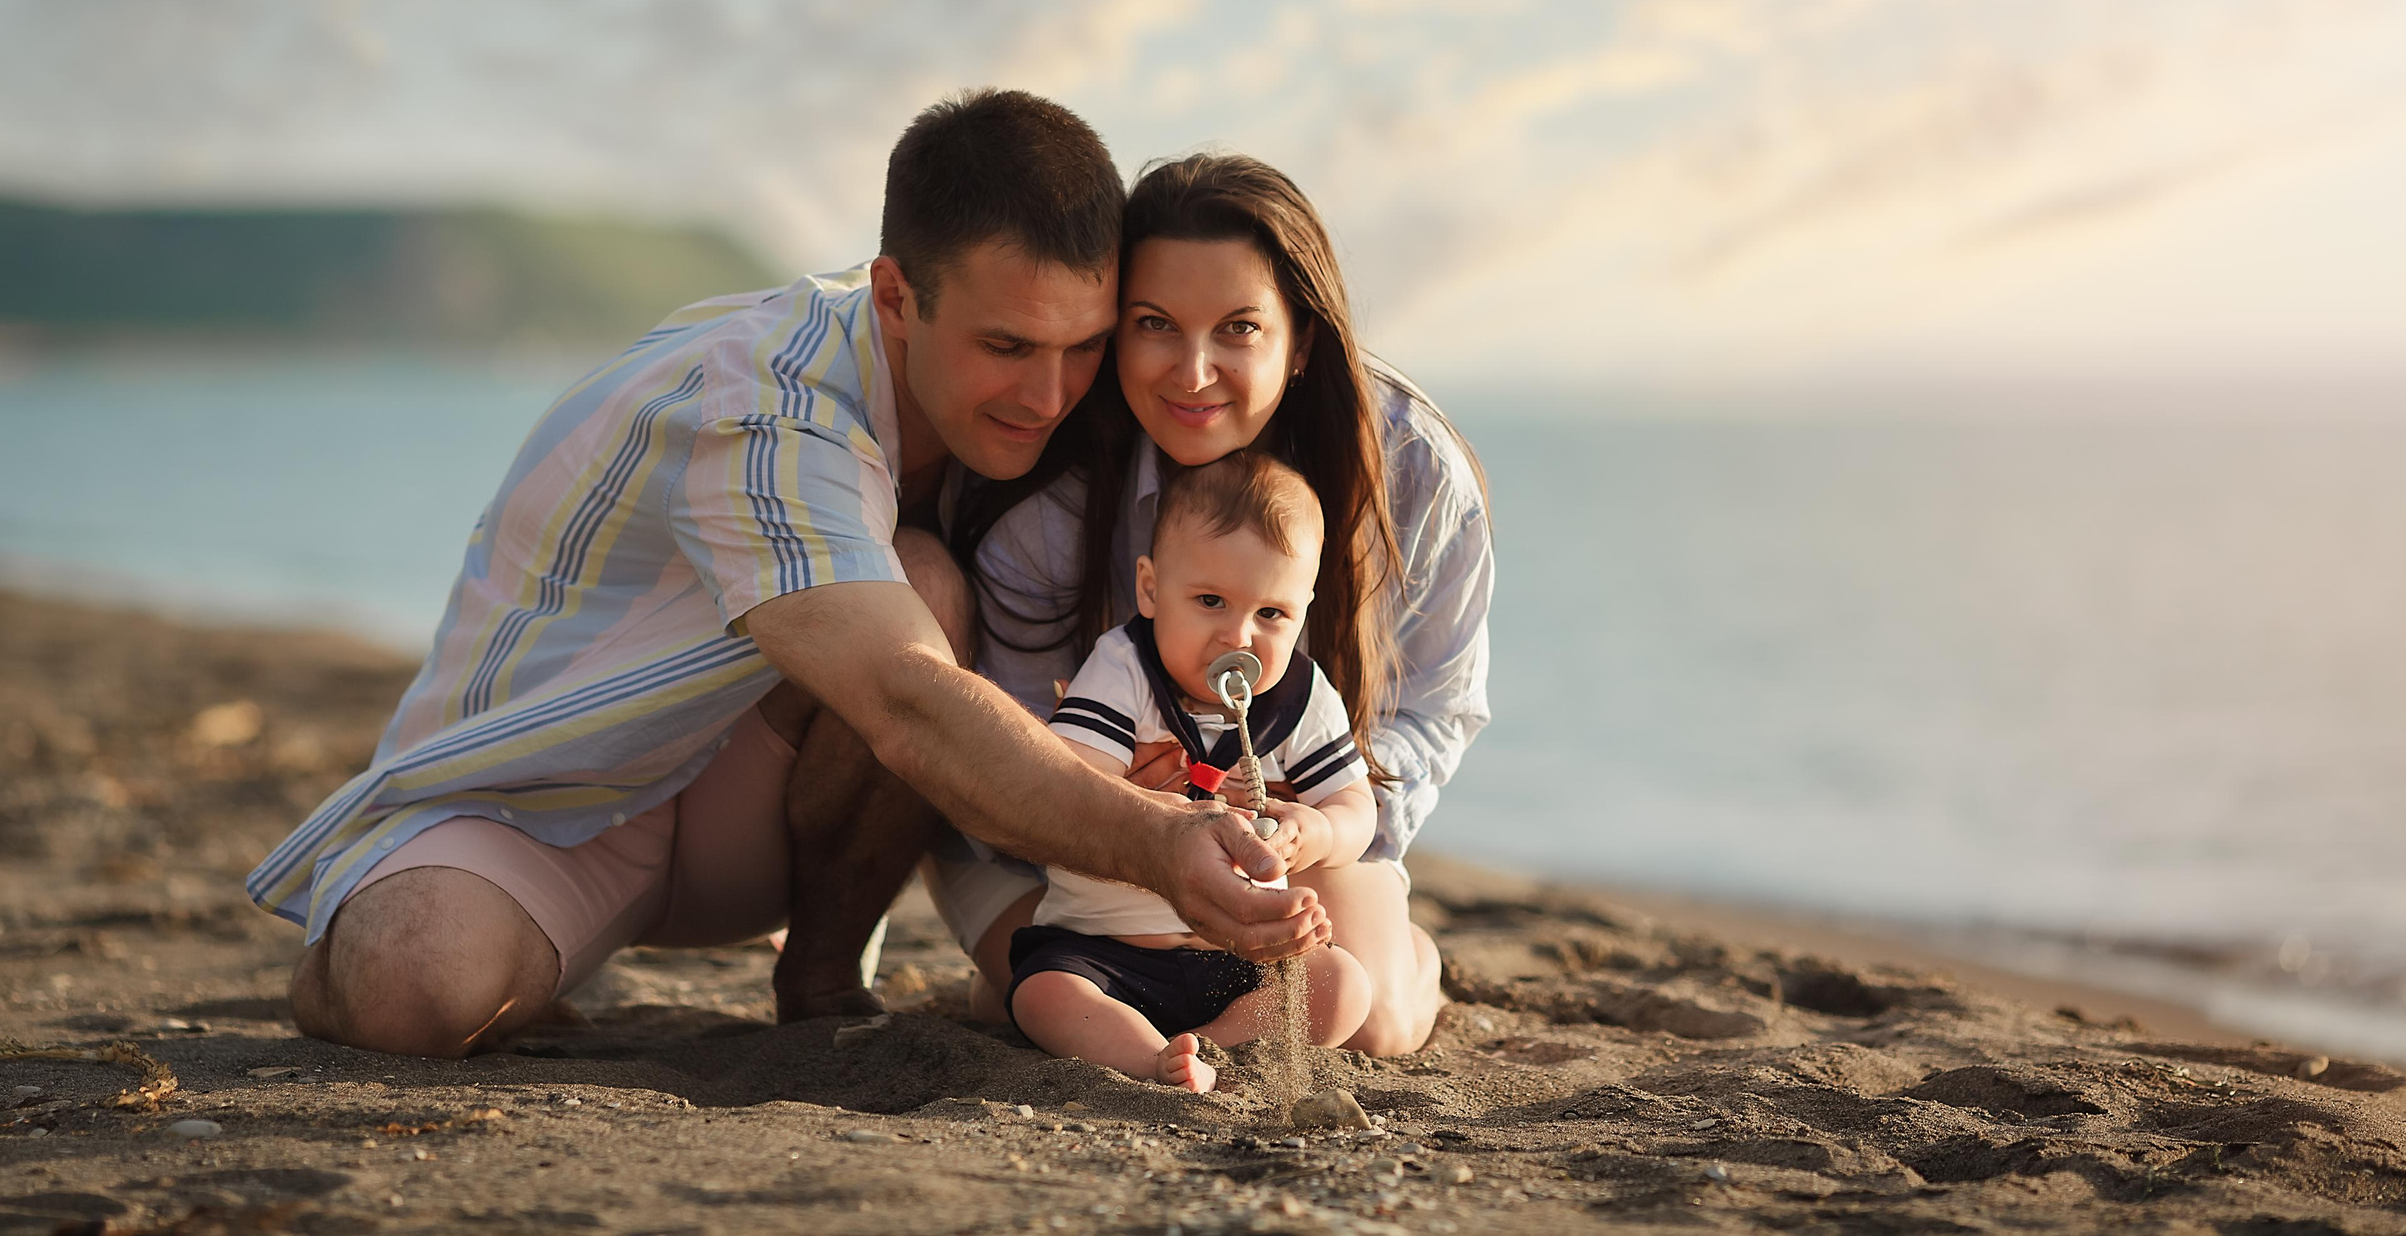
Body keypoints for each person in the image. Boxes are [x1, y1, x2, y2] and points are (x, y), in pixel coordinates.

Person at [248, 93, 1330, 1058]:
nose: (1049, 395)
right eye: (1006, 347)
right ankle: (385, 932)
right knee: (415, 991)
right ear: (897, 297)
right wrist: (1162, 841)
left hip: (746, 813)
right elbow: (903, 699)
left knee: (923, 578)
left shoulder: (1042, 379)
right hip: (543, 801)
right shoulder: (762, 404)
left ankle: (819, 976)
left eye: (1082, 346)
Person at [941, 153, 1493, 1057]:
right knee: (1051, 995)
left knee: (1375, 1023)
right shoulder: (1050, 495)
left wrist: (1308, 813)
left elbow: (1435, 706)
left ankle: (1407, 955)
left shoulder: (1415, 472)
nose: (1193, 372)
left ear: (1301, 338)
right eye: (1154, 324)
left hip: (1289, 830)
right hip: (1069, 851)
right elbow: (993, 747)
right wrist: (1115, 806)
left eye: (1238, 327)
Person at [1011, 450, 1375, 1091]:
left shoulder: (1302, 694)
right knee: (1044, 995)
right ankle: (1146, 1059)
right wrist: (1160, 802)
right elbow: (1072, 778)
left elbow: (1355, 808)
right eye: (1210, 601)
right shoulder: (1124, 666)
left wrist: (1311, 831)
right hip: (1105, 951)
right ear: (1150, 589)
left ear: (1304, 611)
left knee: (1343, 985)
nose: (1239, 636)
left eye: (1272, 614)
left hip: (1237, 957)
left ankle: (1209, 1047)